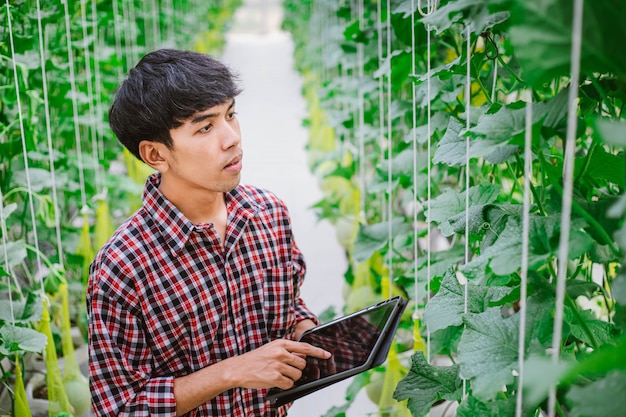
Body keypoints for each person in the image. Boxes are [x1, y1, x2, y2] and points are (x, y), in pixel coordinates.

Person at [87, 49, 331, 417]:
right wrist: (232, 372)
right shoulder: (122, 267)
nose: (232, 138)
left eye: (231, 115)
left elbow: (288, 304)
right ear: (155, 155)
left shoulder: (269, 215)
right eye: (205, 127)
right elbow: (121, 407)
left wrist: (304, 330)